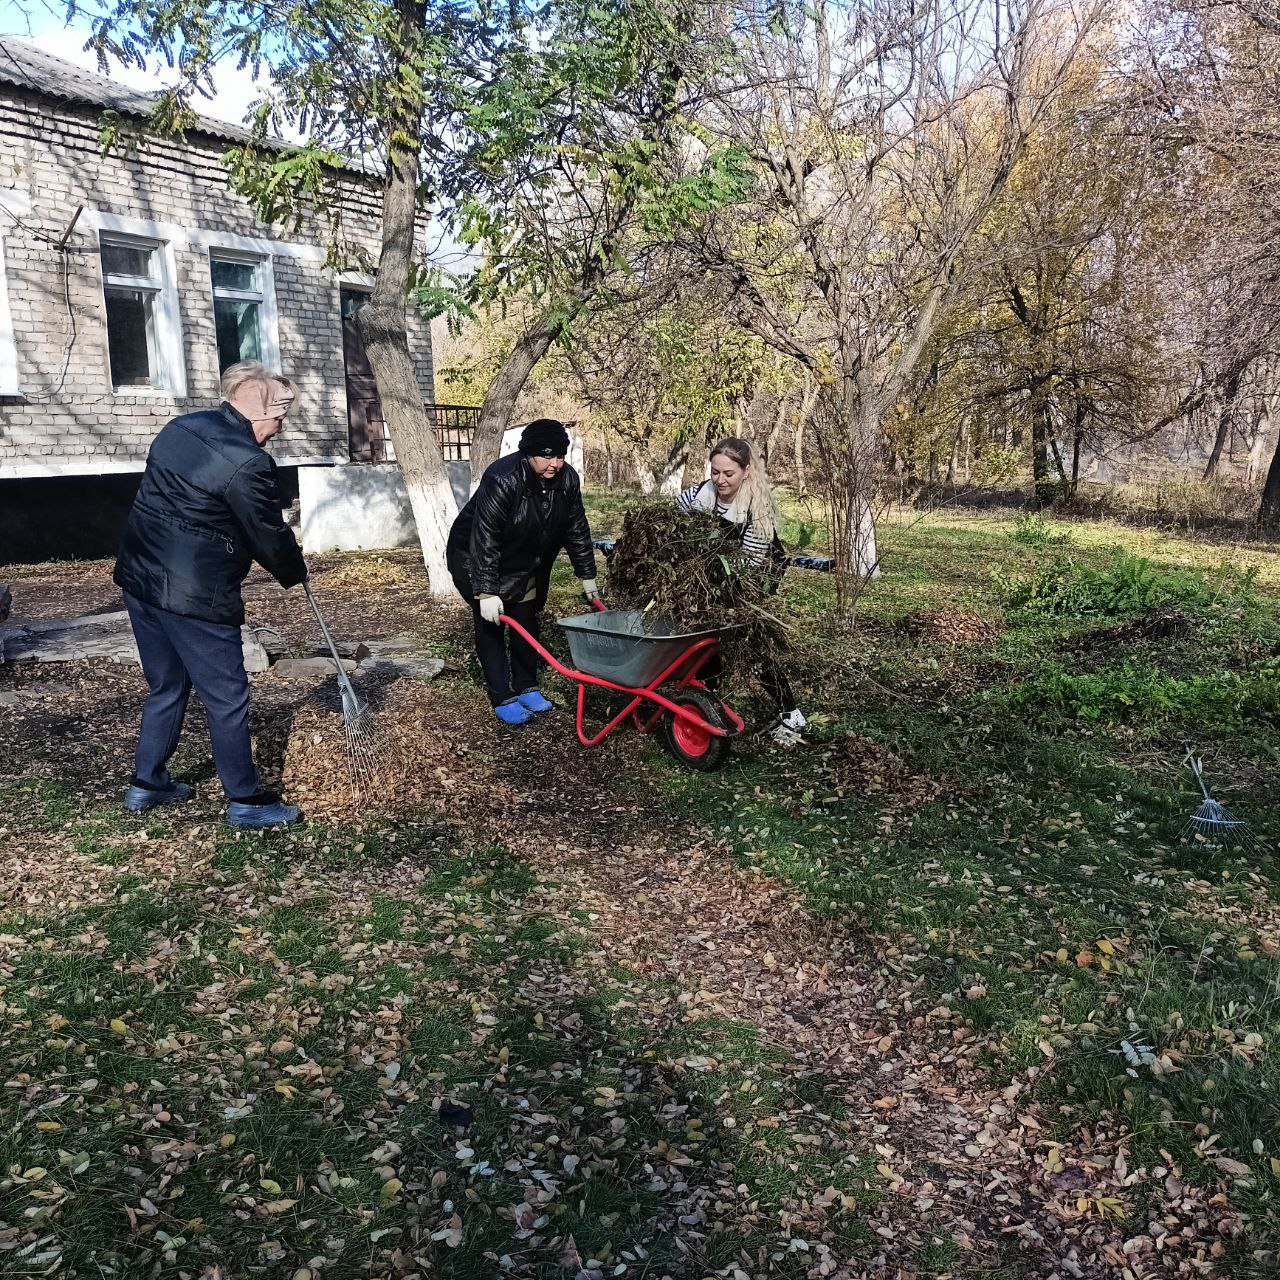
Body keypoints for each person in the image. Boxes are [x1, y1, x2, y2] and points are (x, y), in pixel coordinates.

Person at [113, 361, 308, 828]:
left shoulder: (181, 427)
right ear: (258, 407)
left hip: (140, 579)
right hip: (194, 595)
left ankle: (147, 784)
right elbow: (266, 532)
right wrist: (294, 569)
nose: (281, 428)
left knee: (167, 684)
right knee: (227, 695)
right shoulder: (248, 462)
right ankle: (245, 800)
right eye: (280, 415)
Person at [447, 419, 599, 726]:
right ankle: (502, 694)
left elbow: (576, 527)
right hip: (474, 557)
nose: (555, 464)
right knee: (492, 624)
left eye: (560, 455)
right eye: (547, 456)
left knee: (525, 619)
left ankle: (526, 685)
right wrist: (487, 591)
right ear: (528, 453)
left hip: (525, 560)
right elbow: (485, 537)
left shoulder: (567, 479)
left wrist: (587, 574)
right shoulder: (502, 478)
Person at [676, 436, 807, 747]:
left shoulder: (757, 508)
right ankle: (708, 703)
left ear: (746, 471)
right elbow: (673, 519)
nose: (720, 480)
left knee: (752, 644)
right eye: (715, 472)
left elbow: (746, 565)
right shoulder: (699, 494)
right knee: (705, 637)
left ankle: (791, 715)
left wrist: (717, 585)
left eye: (729, 474)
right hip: (714, 574)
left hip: (756, 575)